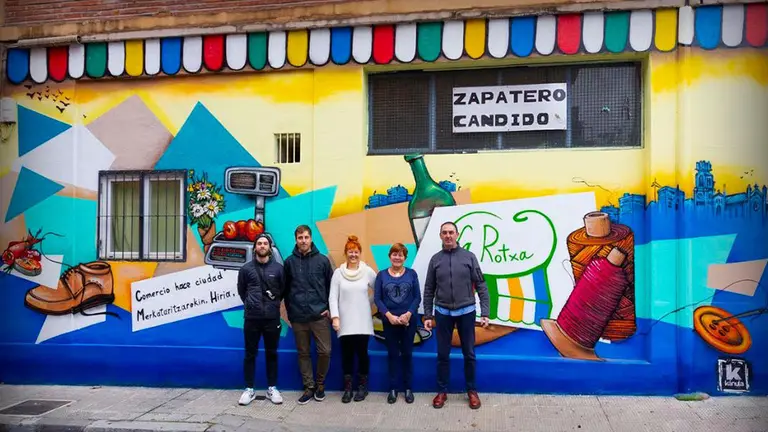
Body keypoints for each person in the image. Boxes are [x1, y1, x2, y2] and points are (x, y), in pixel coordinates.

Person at [423, 221, 490, 410]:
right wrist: (428, 315)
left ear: (457, 235)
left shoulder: (469, 257)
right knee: (442, 354)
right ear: (440, 236)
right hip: (442, 312)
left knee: (469, 354)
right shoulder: (435, 260)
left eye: (451, 232)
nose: (448, 236)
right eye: (444, 232)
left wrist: (485, 312)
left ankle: (471, 391)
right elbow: (429, 289)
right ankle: (442, 391)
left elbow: (482, 285)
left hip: (466, 311)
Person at [283, 225, 334, 404]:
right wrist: (290, 312)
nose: (303, 241)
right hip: (298, 317)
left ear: (311, 238)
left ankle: (320, 384)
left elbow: (331, 287)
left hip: (319, 315)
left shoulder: (322, 261)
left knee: (325, 351)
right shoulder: (289, 262)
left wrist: (329, 307)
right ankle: (309, 387)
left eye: (306, 237)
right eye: (300, 238)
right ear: (296, 240)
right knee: (303, 353)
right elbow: (285, 289)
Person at [237, 234, 284, 406]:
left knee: (272, 354)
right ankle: (249, 389)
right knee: (250, 354)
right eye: (259, 243)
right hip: (252, 318)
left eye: (265, 243)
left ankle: (272, 388)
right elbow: (242, 290)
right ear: (255, 247)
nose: (262, 246)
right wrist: (252, 305)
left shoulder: (279, 269)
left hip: (272, 319)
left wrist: (272, 306)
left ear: (270, 248)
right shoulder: (246, 269)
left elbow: (282, 291)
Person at [329, 235, 377, 403]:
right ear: (346, 253)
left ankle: (363, 388)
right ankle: (348, 389)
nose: (353, 255)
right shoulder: (338, 274)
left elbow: (379, 290)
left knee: (362, 354)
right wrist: (335, 317)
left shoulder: (367, 271)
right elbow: (333, 297)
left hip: (363, 321)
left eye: (356, 252)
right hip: (345, 321)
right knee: (347, 354)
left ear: (360, 253)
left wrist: (368, 303)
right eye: (350, 252)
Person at [374, 242, 421, 404]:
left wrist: (408, 314)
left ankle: (408, 389)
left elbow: (417, 298)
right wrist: (389, 316)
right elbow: (377, 299)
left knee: (407, 354)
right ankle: (393, 389)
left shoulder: (412, 274)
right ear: (390, 256)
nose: (397, 257)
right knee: (393, 354)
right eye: (394, 254)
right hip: (389, 322)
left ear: (405, 258)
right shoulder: (381, 275)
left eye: (400, 255)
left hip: (409, 322)